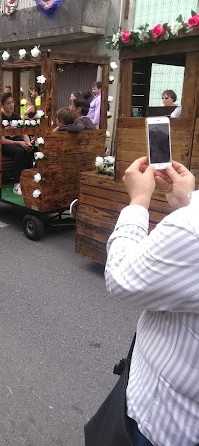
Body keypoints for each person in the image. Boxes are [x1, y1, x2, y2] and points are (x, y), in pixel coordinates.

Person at [105, 156, 199, 446]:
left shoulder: (190, 229)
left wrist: (139, 200)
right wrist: (188, 201)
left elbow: (121, 277)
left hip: (165, 422)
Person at [0, 92, 34, 196]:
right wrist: (19, 143)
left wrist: (28, 143)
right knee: (20, 151)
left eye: (12, 102)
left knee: (30, 150)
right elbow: (1, 140)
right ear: (2, 105)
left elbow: (23, 133)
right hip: (4, 145)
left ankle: (28, 179)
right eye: (8, 103)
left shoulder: (16, 116)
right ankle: (16, 183)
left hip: (17, 142)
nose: (11, 105)